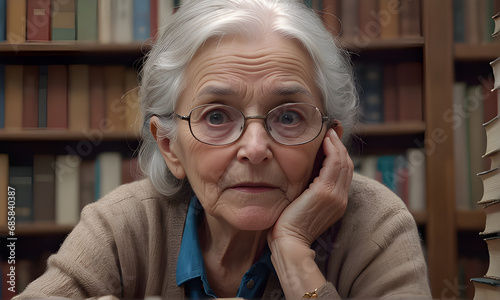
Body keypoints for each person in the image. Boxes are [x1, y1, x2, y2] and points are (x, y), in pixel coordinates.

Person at [17, 0, 431, 299]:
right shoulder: (124, 223)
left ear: (329, 142)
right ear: (169, 145)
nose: (254, 149)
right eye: (216, 117)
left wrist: (296, 258)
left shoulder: (376, 225)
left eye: (288, 118)